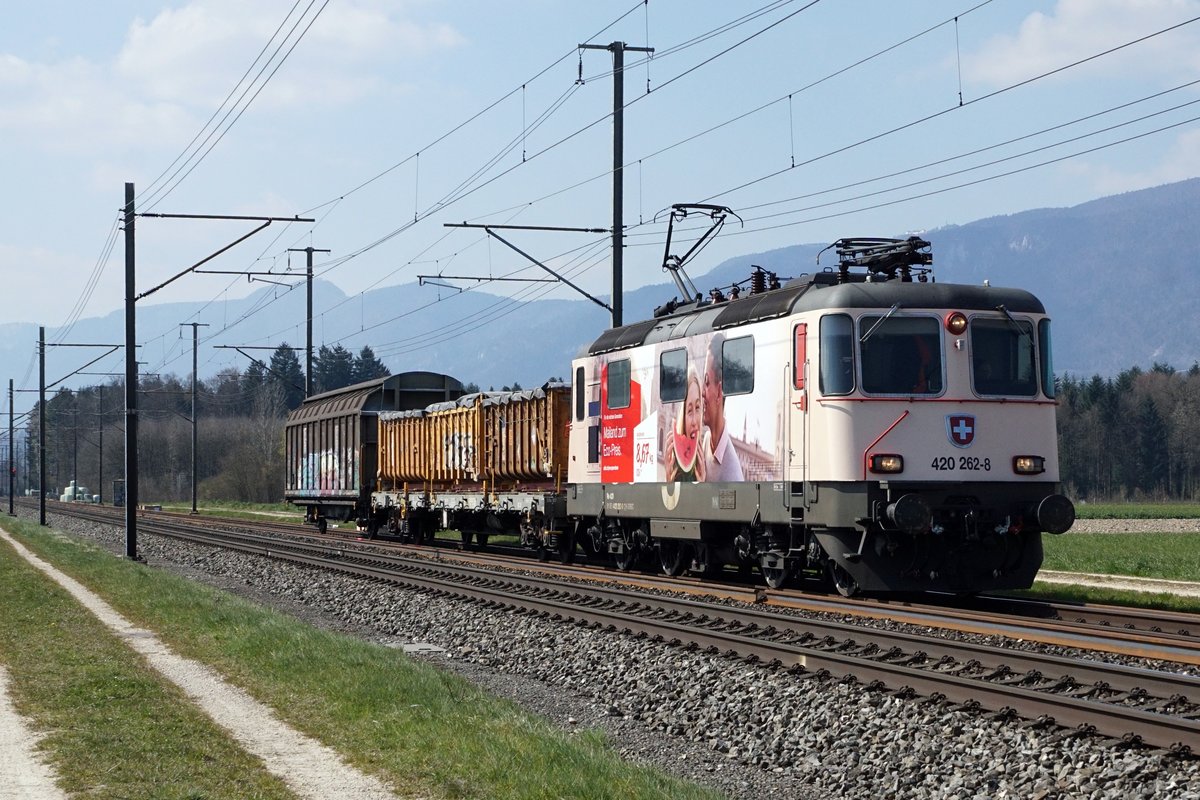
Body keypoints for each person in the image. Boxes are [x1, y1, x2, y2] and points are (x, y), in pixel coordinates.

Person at [702, 334, 744, 482]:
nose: (702, 392)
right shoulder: (706, 440)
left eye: (706, 383)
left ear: (719, 392)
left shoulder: (733, 475)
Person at [665, 367, 705, 482]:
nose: (694, 421)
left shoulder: (704, 460)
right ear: (683, 415)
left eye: (697, 408)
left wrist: (703, 487)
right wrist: (668, 481)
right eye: (689, 411)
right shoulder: (674, 462)